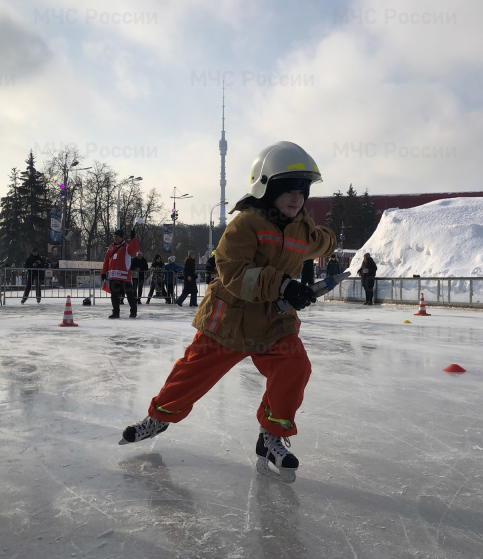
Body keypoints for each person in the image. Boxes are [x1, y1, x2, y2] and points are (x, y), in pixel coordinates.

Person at [121, 141, 337, 484]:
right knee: (192, 372)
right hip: (230, 320)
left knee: (295, 368)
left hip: (273, 324)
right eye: (288, 189)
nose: (297, 198)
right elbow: (233, 272)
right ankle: (159, 416)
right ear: (267, 187)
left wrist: (331, 244)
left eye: (303, 191)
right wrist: (283, 285)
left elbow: (322, 242)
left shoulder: (301, 228)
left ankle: (272, 436)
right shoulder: (245, 224)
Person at [101, 228, 139, 318]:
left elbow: (135, 249)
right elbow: (106, 261)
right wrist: (103, 272)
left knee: (130, 295)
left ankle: (133, 312)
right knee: (114, 296)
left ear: (121, 238)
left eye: (117, 237)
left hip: (124, 277)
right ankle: (115, 313)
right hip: (113, 277)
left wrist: (133, 238)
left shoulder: (127, 246)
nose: (115, 238)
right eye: (114, 236)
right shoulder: (110, 247)